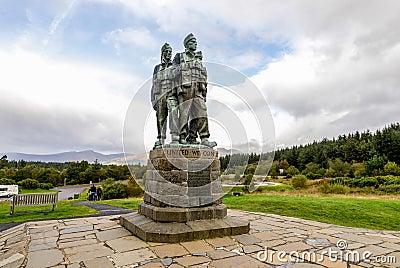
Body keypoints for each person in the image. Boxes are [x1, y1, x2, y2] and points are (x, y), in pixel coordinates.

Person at [172, 33, 216, 148]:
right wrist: (183, 67)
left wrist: (204, 91)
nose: (195, 44)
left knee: (202, 112)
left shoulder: (198, 58)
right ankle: (182, 137)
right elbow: (172, 73)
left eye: (196, 42)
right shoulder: (180, 57)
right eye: (192, 42)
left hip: (198, 89)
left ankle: (204, 138)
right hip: (186, 88)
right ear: (187, 44)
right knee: (184, 113)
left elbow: (203, 76)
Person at [151, 43, 179, 148]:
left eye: (170, 52)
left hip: (171, 94)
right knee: (160, 118)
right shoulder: (157, 68)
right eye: (166, 52)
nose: (168, 54)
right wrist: (153, 100)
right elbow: (153, 84)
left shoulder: (174, 66)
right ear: (162, 53)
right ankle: (161, 139)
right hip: (160, 95)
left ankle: (175, 137)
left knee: (173, 112)